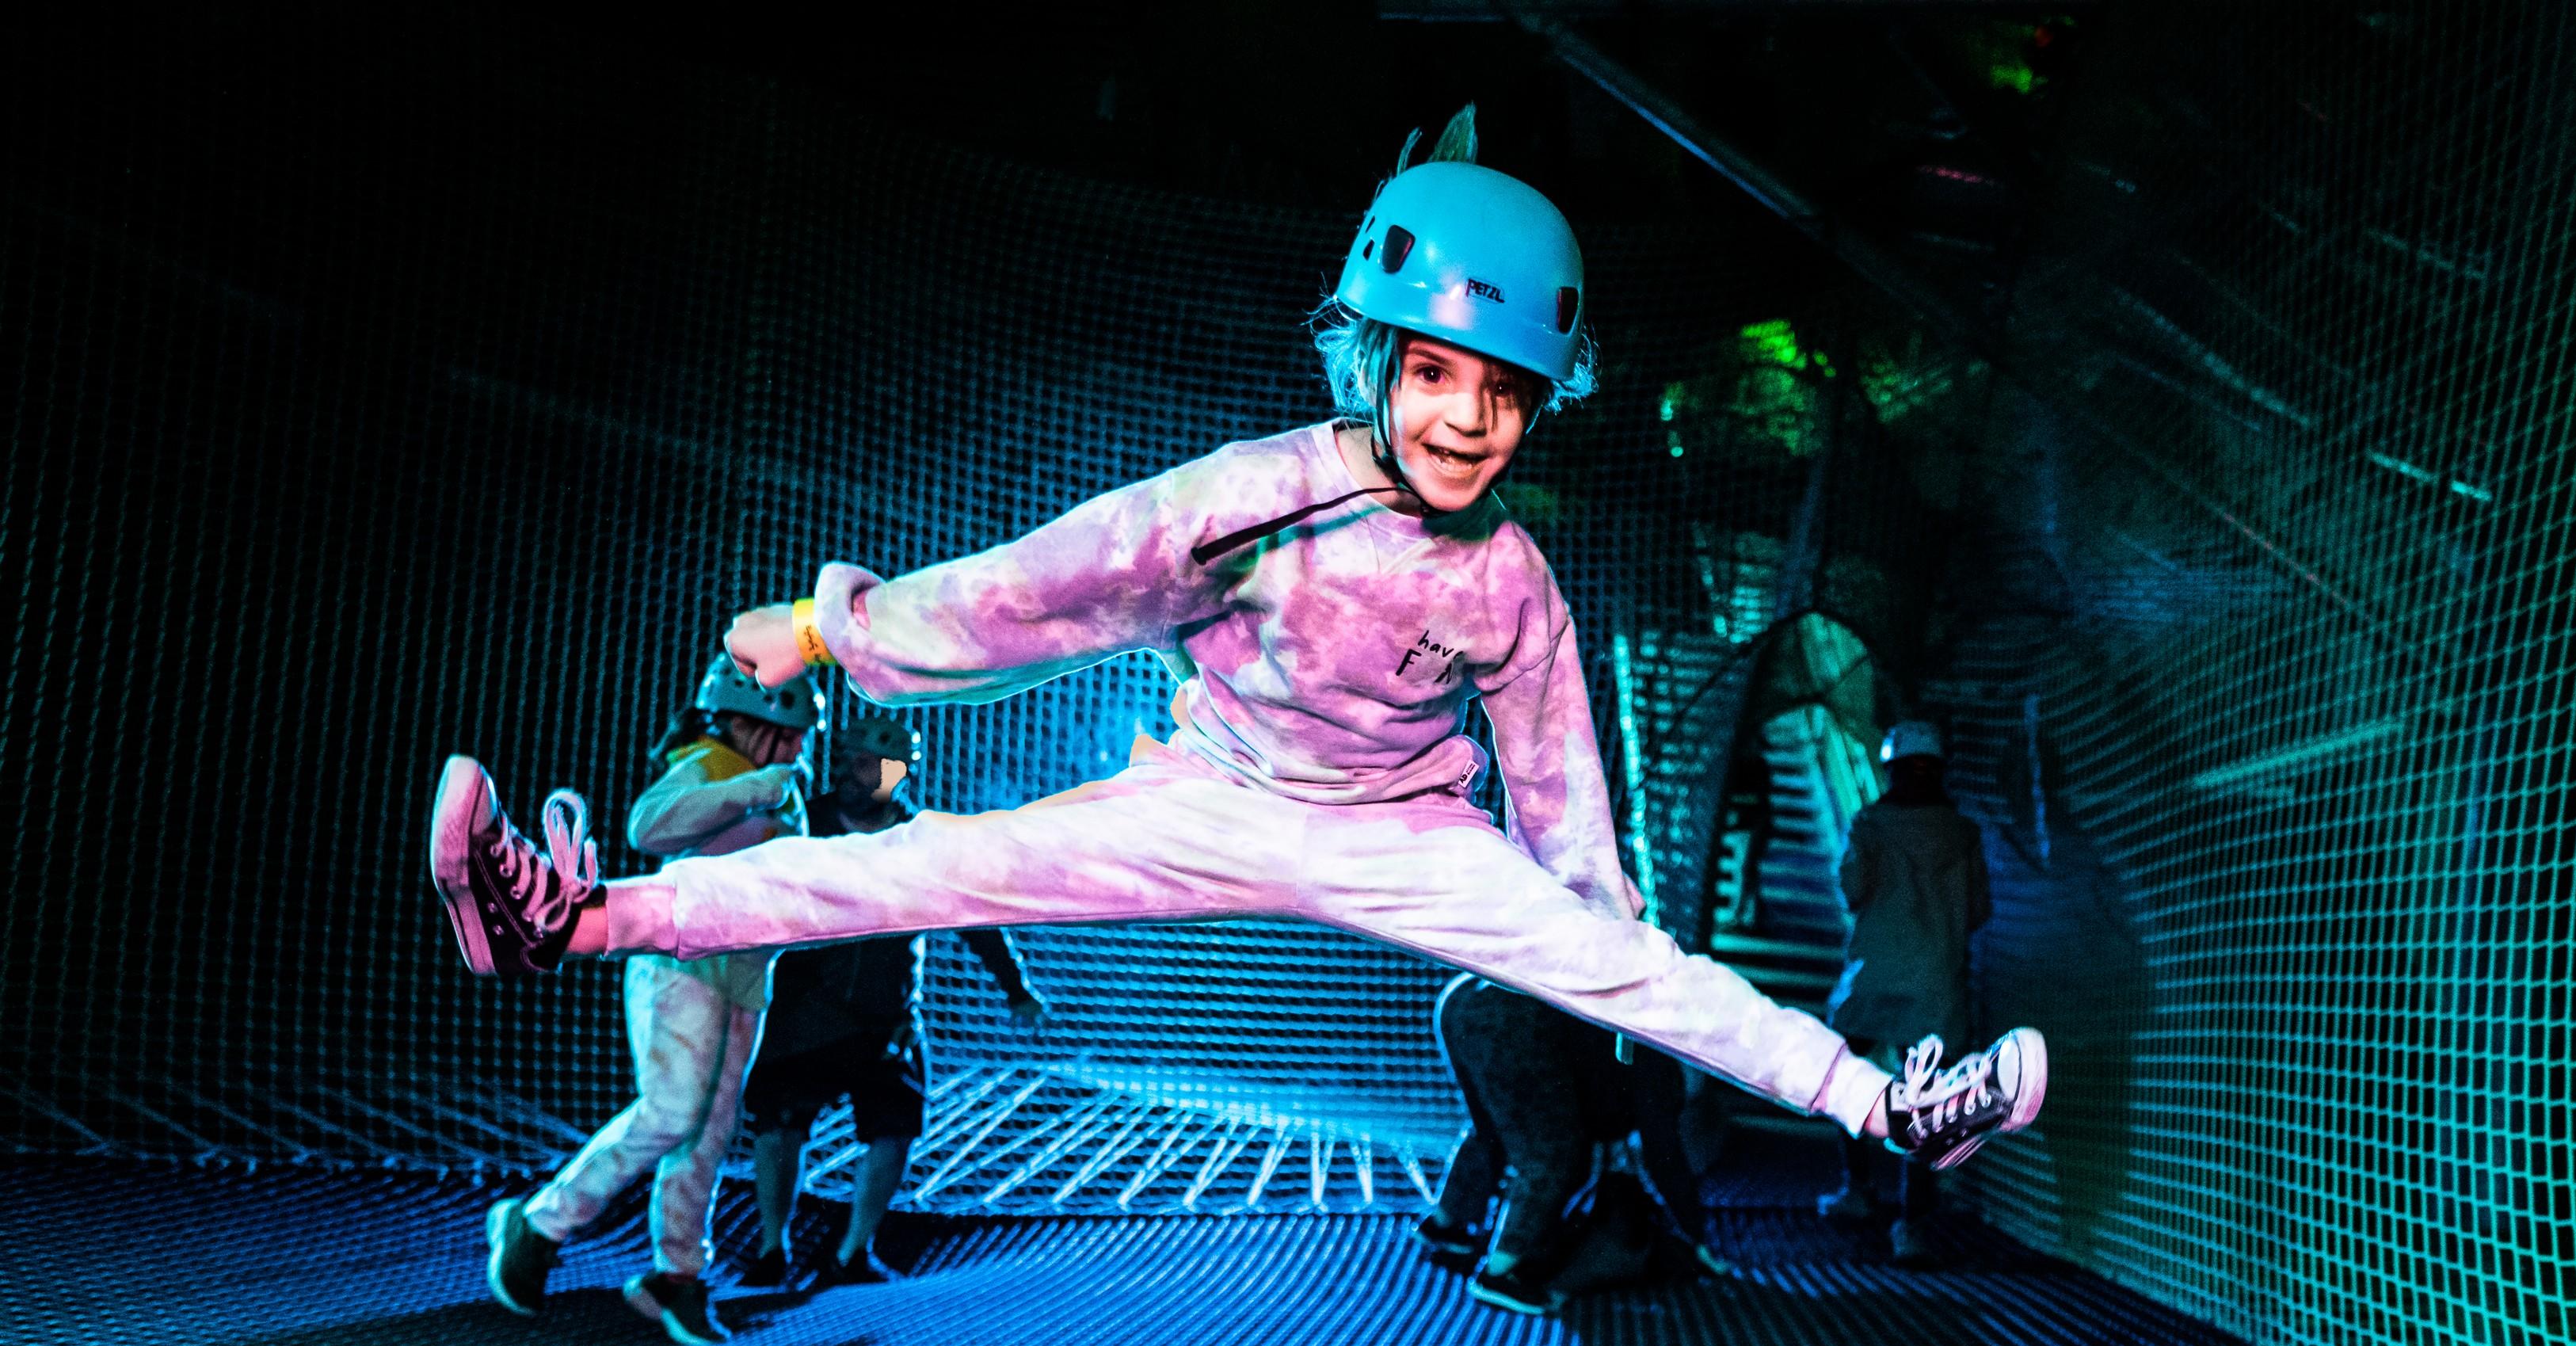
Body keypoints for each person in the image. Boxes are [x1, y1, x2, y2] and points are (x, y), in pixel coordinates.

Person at [428, 108, 2046, 1199]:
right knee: (922, 866)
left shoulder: (1513, 581)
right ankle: (572, 913)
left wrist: (1590, 932)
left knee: (1643, 967)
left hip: (1406, 833)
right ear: (1372, 357)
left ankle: (1891, 1106)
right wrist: (822, 629)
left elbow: (1559, 785)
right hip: (1207, 795)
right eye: (1435, 375)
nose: (1467, 420)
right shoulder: (1254, 501)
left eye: (1503, 393)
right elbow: (1041, 592)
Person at [482, 658, 818, 1345]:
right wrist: (750, 788)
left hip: (745, 976)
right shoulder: (711, 764)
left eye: (798, 738)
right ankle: (540, 1220)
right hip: (679, 961)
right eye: (784, 735)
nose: (794, 749)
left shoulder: (788, 792)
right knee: (672, 1111)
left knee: (709, 1132)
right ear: (747, 725)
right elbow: (648, 826)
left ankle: (676, 1278)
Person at [737, 711, 1044, 1287]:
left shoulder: (919, 841)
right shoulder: (805, 823)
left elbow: (974, 914)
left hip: (886, 1014)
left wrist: (1015, 986)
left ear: (902, 774)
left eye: (884, 766)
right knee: (779, 1122)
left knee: (895, 1124)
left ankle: (853, 1252)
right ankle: (772, 1248)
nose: (870, 775)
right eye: (860, 763)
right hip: (803, 1006)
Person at [1418, 974, 1722, 1314]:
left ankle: (1445, 1224)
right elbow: (1663, 1154)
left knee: (1491, 1129)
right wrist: (1697, 1235)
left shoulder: (1649, 1023)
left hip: (1463, 996)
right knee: (1551, 1153)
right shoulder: (1664, 1060)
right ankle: (1498, 1275)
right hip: (1512, 1017)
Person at [1822, 719, 1992, 1264]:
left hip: (1872, 977)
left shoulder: (1870, 825)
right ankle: (1912, 1223)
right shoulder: (1963, 833)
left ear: (1890, 768)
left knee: (1839, 1074)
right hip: (1936, 982)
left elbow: (1852, 891)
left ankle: (1857, 1189)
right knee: (1928, 1104)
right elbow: (1978, 911)